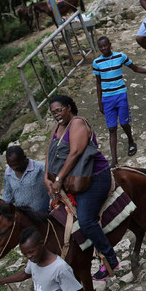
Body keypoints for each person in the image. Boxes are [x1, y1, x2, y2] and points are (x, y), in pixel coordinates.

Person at [45, 95, 120, 278]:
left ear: (69, 107)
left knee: (85, 220)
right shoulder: (57, 127)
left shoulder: (77, 123)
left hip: (93, 177)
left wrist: (59, 179)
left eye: (59, 110)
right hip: (69, 180)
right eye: (53, 112)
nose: (56, 115)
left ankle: (110, 258)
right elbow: (50, 153)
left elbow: (76, 152)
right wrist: (46, 177)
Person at [93, 35, 146, 167]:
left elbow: (136, 68)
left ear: (110, 44)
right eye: (101, 47)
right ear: (98, 48)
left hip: (120, 95)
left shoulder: (120, 57)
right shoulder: (97, 63)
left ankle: (131, 141)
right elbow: (98, 84)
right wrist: (100, 102)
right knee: (111, 128)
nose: (104, 48)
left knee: (124, 123)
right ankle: (114, 160)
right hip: (107, 99)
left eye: (105, 45)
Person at [2, 144, 51, 215]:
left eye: (16, 165)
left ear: (24, 158)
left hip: (42, 215)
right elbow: (7, 196)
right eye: (11, 165)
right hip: (24, 218)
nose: (14, 168)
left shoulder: (40, 168)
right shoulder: (8, 173)